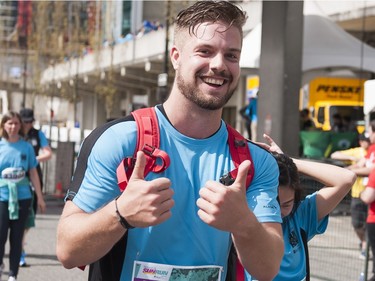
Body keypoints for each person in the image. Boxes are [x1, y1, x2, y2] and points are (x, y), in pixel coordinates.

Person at [56, 1, 284, 281]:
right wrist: (121, 214)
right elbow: (67, 251)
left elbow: (268, 269)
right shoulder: (121, 140)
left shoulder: (254, 163)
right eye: (205, 51)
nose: (219, 65)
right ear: (176, 56)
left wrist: (244, 223)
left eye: (231, 55)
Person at [243, 134, 355, 280]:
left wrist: (290, 162)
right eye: (272, 204)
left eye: (287, 204)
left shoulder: (300, 216)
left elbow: (346, 178)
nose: (279, 212)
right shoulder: (240, 221)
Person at [0, 111, 46, 281]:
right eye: (9, 123)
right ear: (4, 125)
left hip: (23, 196)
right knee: (1, 234)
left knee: (17, 236)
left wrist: (40, 197)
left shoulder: (26, 147)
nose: (13, 126)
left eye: (16, 123)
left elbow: (33, 173)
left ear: (20, 126)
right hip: (2, 196)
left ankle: (13, 273)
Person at [19, 108, 52, 267]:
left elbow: (48, 153)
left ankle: (19, 245)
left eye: (31, 121)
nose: (29, 124)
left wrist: (33, 159)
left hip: (33, 178)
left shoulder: (37, 134)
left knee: (27, 219)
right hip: (14, 181)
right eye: (26, 121)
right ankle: (18, 249)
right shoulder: (12, 132)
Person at [331, 133, 370, 258]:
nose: (367, 143)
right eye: (365, 140)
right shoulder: (358, 152)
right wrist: (353, 159)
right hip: (358, 194)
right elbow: (334, 154)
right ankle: (364, 241)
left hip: (370, 194)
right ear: (360, 142)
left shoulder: (372, 152)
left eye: (369, 140)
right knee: (357, 223)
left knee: (370, 223)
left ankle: (366, 246)